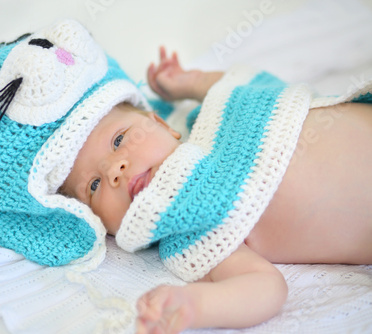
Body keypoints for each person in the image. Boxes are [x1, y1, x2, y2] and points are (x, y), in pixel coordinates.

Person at [60, 46, 372, 333]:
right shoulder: (190, 228)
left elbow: (250, 87)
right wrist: (194, 305)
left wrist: (190, 81)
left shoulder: (222, 117)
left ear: (163, 124)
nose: (115, 170)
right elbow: (265, 288)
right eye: (94, 186)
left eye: (118, 140)